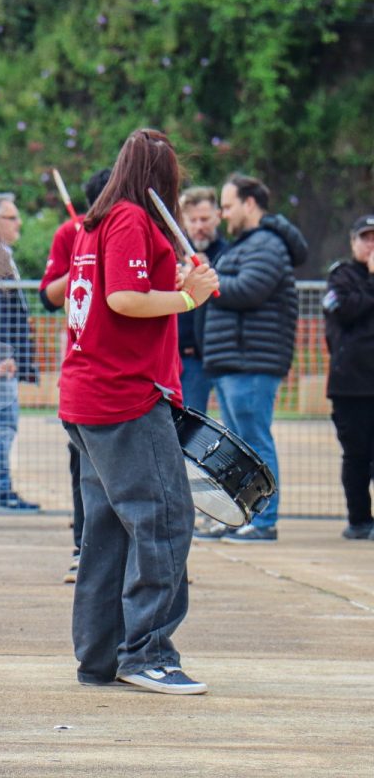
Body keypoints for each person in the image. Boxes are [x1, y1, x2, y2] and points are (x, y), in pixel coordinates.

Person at [60, 128, 218, 696]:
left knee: (108, 529)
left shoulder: (98, 222)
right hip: (124, 396)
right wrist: (187, 298)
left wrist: (175, 284)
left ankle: (100, 654)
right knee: (164, 519)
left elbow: (121, 292)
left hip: (89, 395)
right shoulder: (130, 218)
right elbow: (123, 298)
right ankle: (148, 650)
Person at [200, 174, 308, 543]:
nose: (223, 215)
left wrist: (209, 282)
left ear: (250, 204)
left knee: (255, 443)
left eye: (228, 206)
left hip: (251, 362)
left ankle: (263, 521)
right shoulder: (247, 244)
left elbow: (249, 289)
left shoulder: (266, 244)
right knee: (242, 447)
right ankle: (244, 518)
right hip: (236, 360)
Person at [38, 167, 110, 583]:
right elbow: (48, 296)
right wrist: (85, 266)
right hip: (84, 362)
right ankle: (84, 549)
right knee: (82, 460)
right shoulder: (71, 233)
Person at [0, 192, 39, 510]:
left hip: (1, 354)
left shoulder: (3, 255)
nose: (18, 223)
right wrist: (2, 353)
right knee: (4, 422)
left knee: (3, 422)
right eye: (11, 217)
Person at [323, 215, 374, 540]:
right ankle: (359, 520)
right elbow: (345, 310)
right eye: (366, 238)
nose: (371, 245)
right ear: (354, 242)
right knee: (357, 455)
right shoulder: (341, 276)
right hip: (351, 386)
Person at [176, 186, 228, 412]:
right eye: (193, 220)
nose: (199, 227)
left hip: (205, 356)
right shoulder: (172, 253)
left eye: (204, 219)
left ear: (217, 217)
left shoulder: (228, 253)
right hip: (172, 355)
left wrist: (208, 272)